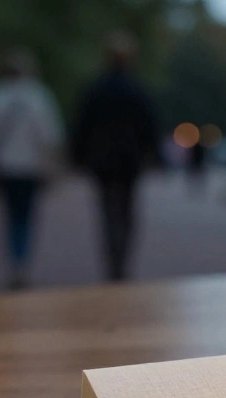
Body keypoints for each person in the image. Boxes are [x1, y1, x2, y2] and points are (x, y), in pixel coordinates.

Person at [0, 48, 65, 290]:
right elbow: (50, 136)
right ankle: (22, 261)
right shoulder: (39, 96)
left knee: (10, 215)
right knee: (26, 216)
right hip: (31, 167)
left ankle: (15, 261)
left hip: (4, 166)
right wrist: (52, 163)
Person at [73, 32, 159, 282]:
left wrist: (78, 156)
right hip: (129, 161)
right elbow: (149, 126)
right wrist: (152, 154)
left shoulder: (96, 89)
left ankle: (114, 260)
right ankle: (121, 259)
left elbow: (82, 126)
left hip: (102, 161)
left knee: (108, 212)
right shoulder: (137, 89)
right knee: (126, 211)